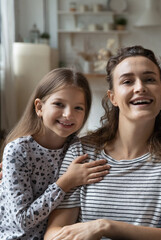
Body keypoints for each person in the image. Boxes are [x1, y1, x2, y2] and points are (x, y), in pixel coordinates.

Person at [44, 46, 161, 240]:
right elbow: (53, 233)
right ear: (113, 97)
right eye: (127, 81)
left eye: (149, 79)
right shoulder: (82, 152)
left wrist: (104, 226)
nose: (140, 87)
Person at [0, 68, 110, 239]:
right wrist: (66, 182)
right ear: (39, 107)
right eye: (59, 104)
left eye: (78, 108)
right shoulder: (18, 151)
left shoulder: (77, 148)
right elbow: (23, 220)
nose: (68, 114)